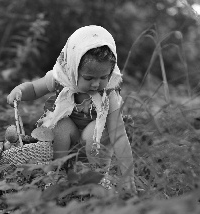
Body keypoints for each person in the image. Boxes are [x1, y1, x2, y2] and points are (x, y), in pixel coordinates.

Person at [7, 25, 136, 193]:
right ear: (73, 67)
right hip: (70, 142)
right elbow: (34, 88)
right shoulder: (61, 78)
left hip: (95, 145)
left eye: (103, 77)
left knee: (95, 130)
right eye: (88, 78)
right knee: (61, 125)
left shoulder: (108, 94)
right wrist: (20, 91)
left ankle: (96, 176)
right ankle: (58, 170)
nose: (96, 84)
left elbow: (118, 136)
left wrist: (128, 175)